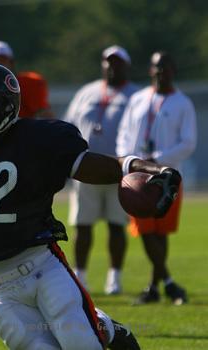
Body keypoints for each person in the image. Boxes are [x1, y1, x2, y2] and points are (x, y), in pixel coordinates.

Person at [0, 63, 180, 348]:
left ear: (7, 108)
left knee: (81, 344)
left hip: (41, 264)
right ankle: (99, 323)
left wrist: (147, 168)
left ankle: (105, 330)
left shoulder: (39, 140)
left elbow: (94, 166)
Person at [116, 51, 197, 305]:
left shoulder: (182, 103)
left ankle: (154, 287)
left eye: (165, 67)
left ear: (173, 70)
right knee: (145, 229)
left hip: (167, 175)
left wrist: (160, 159)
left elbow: (188, 142)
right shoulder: (139, 99)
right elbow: (124, 134)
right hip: (139, 174)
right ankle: (171, 284)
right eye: (156, 67)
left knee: (160, 232)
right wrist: (127, 160)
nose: (160, 72)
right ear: (150, 70)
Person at [64, 45, 139, 294]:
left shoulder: (135, 95)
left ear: (126, 65)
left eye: (117, 62)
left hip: (119, 170)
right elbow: (70, 124)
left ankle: (114, 279)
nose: (111, 66)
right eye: (107, 61)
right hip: (86, 167)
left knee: (117, 226)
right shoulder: (87, 92)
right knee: (82, 225)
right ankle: (80, 277)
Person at [0, 40, 54, 119]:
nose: (0, 64)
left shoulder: (27, 83)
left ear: (11, 62)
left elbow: (45, 115)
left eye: (3, 60)